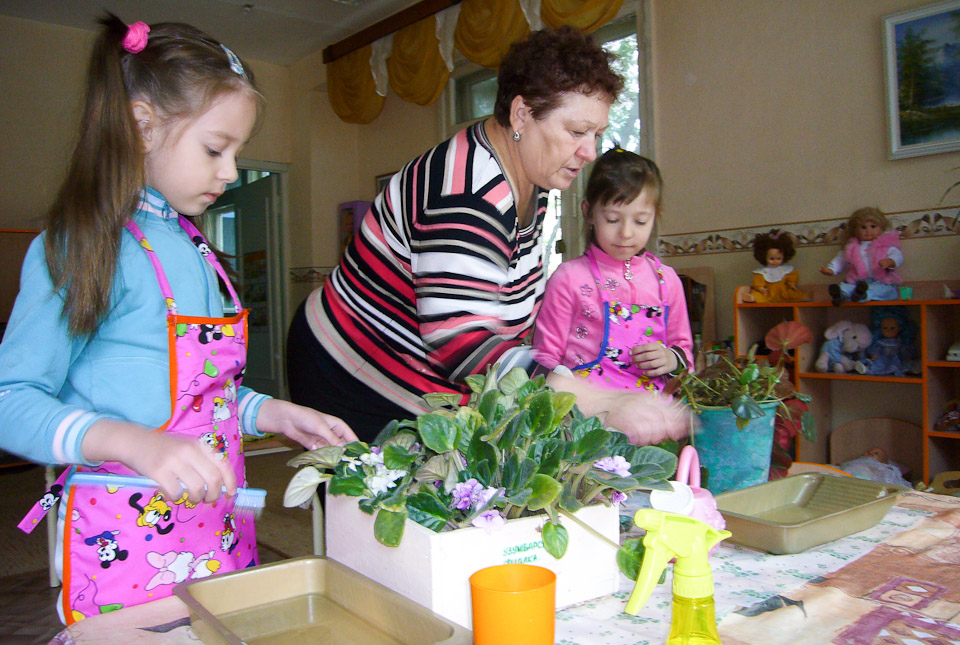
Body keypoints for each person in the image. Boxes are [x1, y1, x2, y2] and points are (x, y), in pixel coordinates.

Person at [0, 15, 356, 623]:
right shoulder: (81, 246)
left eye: (236, 152)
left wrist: (271, 412)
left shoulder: (194, 247)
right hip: (125, 539)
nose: (231, 171)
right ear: (142, 126)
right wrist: (133, 442)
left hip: (217, 530)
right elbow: (10, 399)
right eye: (215, 149)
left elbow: (202, 393)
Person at [286, 26, 689, 446]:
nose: (590, 152)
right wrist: (598, 400)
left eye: (596, 134)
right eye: (576, 132)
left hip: (416, 365)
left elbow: (501, 303)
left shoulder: (533, 178)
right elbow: (460, 341)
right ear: (521, 115)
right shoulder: (468, 195)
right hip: (351, 366)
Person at [532, 148, 693, 394]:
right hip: (588, 412)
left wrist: (672, 359)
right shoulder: (569, 278)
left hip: (650, 411)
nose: (626, 233)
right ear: (589, 213)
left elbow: (685, 354)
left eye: (640, 221)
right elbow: (545, 357)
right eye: (612, 220)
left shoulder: (668, 281)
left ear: (655, 217)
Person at [819, 207, 903, 306]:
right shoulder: (852, 247)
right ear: (855, 230)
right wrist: (831, 269)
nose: (868, 231)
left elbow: (897, 255)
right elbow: (840, 259)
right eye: (863, 227)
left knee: (883, 290)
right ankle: (841, 295)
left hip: (880, 280)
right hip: (857, 282)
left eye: (873, 226)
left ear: (881, 228)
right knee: (846, 287)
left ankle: (862, 294)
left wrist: (891, 261)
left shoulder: (885, 245)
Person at [741, 231, 808, 303]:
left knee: (792, 293)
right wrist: (761, 288)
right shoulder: (762, 272)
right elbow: (758, 282)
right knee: (759, 295)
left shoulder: (786, 270)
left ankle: (805, 296)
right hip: (767, 293)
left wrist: (792, 284)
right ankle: (752, 297)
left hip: (783, 292)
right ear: (764, 257)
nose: (775, 261)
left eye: (779, 259)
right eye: (772, 259)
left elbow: (792, 276)